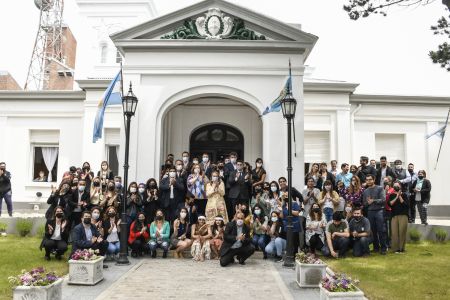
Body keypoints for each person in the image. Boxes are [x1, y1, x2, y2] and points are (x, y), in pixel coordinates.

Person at [362, 174, 387, 255]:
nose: (368, 181)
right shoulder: (365, 191)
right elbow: (364, 203)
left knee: (381, 230)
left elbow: (383, 200)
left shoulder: (380, 188)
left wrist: (373, 201)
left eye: (370, 179)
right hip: (370, 212)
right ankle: (376, 247)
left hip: (379, 211)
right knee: (373, 231)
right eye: (367, 180)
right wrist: (368, 203)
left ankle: (383, 248)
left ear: (374, 179)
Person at [388, 182, 409, 253]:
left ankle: (401, 248)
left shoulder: (405, 195)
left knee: (402, 232)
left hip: (403, 215)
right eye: (394, 186)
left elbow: (406, 205)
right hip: (394, 215)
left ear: (400, 186)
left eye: (397, 185)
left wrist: (400, 196)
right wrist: (396, 196)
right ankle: (395, 249)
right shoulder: (391, 195)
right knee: (394, 233)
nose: (395, 187)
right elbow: (390, 204)